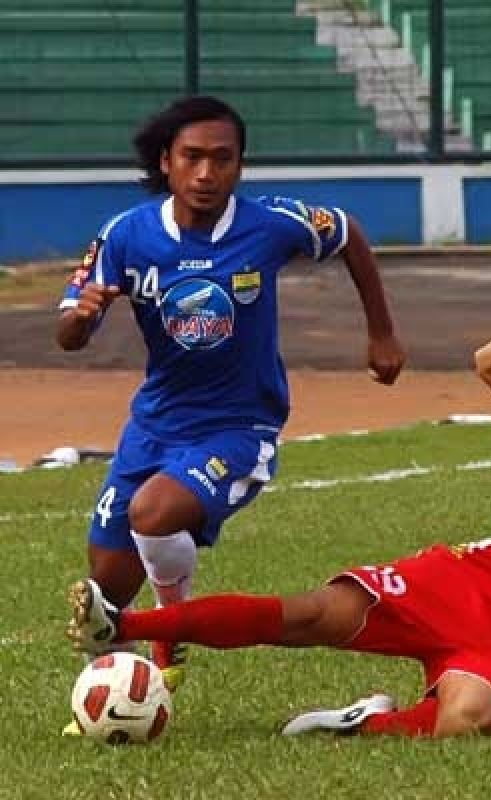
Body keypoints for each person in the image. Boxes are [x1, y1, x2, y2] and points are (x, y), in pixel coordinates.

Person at [68, 313, 491, 739]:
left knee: (470, 719)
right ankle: (124, 629)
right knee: (308, 615)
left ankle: (364, 724)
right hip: (455, 582)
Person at [56, 95, 407, 723]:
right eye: (192, 157)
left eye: (223, 159)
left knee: (154, 513)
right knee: (105, 589)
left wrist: (382, 332)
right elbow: (67, 331)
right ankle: (119, 699)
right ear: (166, 162)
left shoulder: (270, 225)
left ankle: (171, 632)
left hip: (241, 424)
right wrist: (82, 320)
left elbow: (349, 232)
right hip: (155, 423)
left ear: (240, 167)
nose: (206, 173)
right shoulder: (125, 236)